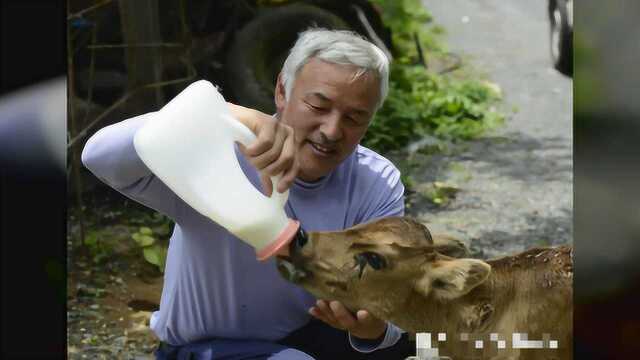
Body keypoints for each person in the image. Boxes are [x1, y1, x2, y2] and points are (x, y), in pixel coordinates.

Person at [82, 28, 413, 359]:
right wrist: (217, 114)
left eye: (354, 118)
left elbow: (393, 294)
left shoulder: (375, 182)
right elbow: (97, 155)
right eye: (317, 105)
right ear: (282, 90)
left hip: (303, 336)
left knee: (413, 345)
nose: (331, 130)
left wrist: (375, 329)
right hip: (202, 349)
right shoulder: (216, 150)